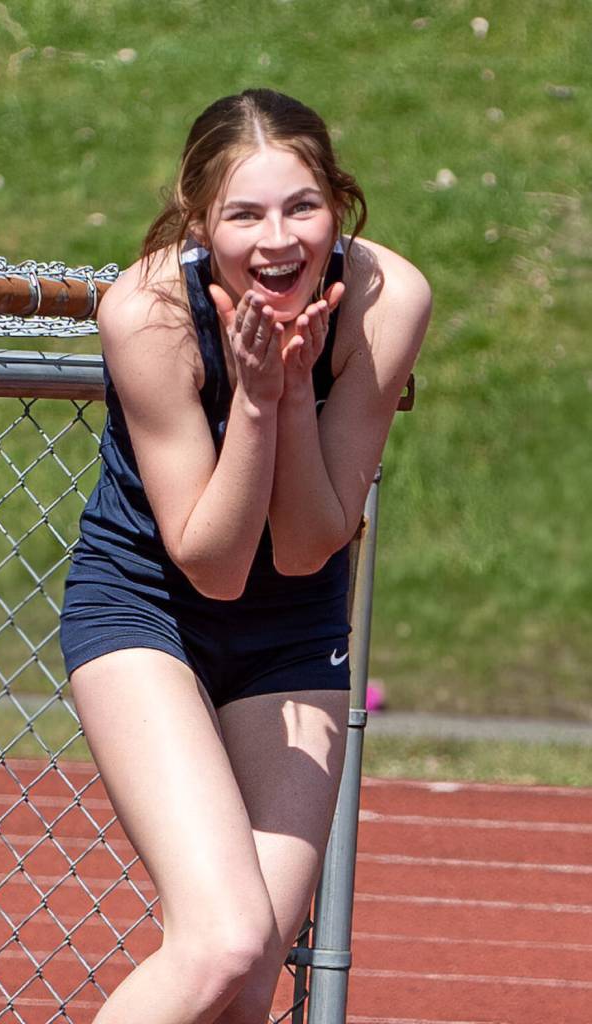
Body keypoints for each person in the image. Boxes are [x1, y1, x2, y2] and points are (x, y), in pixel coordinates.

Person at [60, 88, 431, 1024]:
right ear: (197, 218)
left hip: (293, 630)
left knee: (252, 965)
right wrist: (260, 401)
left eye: (301, 205)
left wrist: (292, 383)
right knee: (220, 939)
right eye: (244, 214)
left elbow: (308, 547)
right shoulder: (147, 312)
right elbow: (212, 564)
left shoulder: (388, 300)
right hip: (147, 607)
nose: (278, 240)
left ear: (337, 205)